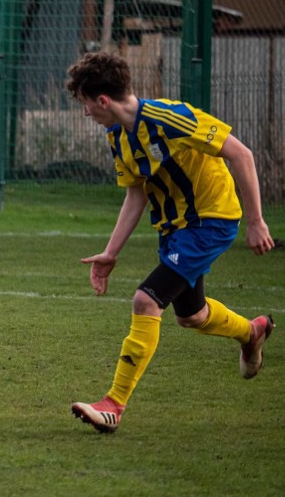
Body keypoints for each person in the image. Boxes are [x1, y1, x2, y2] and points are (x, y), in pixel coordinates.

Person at [65, 51, 275, 434]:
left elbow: (241, 154)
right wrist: (111, 252)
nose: (85, 114)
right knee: (191, 315)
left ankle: (113, 404)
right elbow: (136, 194)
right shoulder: (118, 137)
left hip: (211, 221)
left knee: (147, 299)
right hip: (175, 229)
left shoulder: (170, 117)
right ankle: (252, 332)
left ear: (103, 101)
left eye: (84, 104)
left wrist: (257, 221)